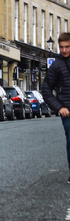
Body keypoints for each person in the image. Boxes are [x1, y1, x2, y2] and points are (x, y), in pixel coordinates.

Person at [42, 32, 70, 183]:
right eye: (61, 47)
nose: (64, 50)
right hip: (67, 111)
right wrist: (59, 108)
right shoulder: (56, 65)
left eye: (67, 47)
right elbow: (46, 90)